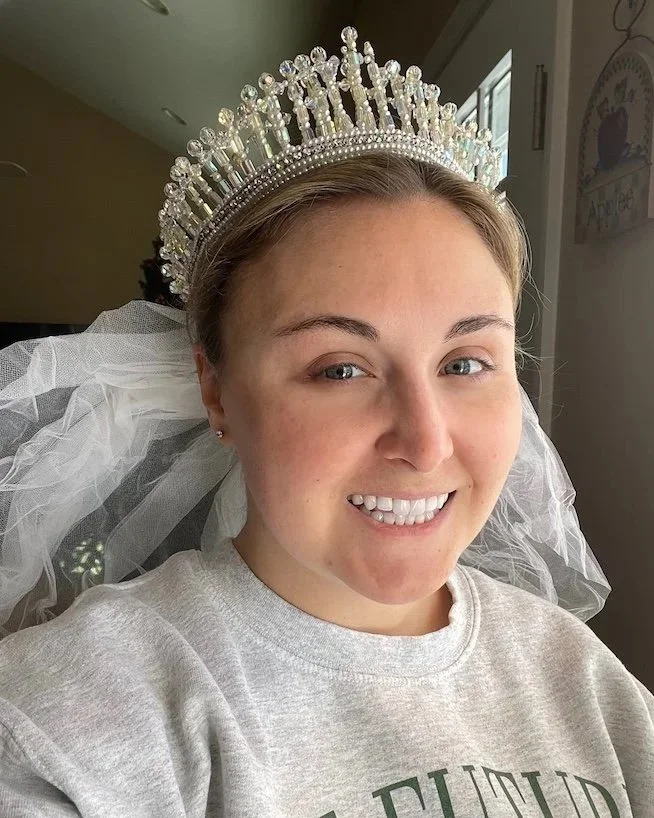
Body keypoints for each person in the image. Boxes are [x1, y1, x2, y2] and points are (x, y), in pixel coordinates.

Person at [0, 26, 650, 818]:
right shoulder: (71, 722)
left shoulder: (581, 677)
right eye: (340, 369)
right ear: (216, 390)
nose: (427, 442)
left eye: (465, 362)